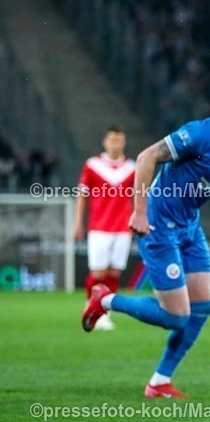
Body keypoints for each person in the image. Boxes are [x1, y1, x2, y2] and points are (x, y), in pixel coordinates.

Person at [81, 81, 210, 397]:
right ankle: (104, 300)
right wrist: (140, 211)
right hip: (159, 227)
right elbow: (147, 157)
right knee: (176, 317)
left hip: (190, 228)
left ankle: (159, 381)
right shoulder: (200, 134)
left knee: (202, 308)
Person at [74, 125, 136, 331]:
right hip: (99, 227)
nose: (115, 144)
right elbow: (82, 195)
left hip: (123, 228)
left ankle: (104, 313)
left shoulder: (132, 167)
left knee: (114, 273)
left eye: (119, 140)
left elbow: (137, 197)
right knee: (98, 272)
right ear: (105, 142)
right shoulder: (93, 165)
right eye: (112, 140)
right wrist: (77, 222)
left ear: (124, 142)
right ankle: (89, 306)